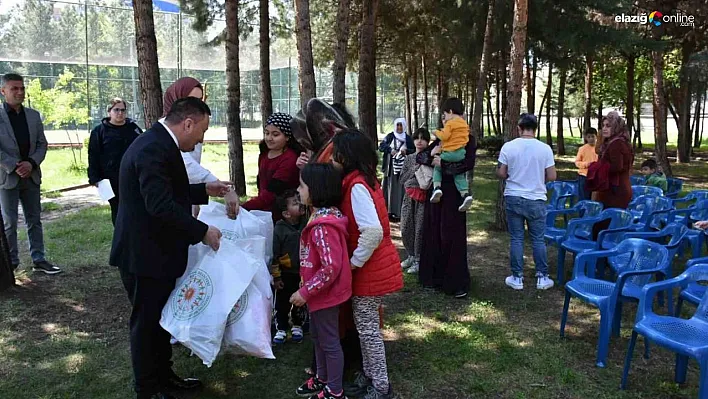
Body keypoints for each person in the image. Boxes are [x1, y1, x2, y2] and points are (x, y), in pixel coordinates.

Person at [110, 97, 236, 399]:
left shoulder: (160, 142)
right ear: (188, 123)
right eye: (201, 131)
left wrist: (203, 190)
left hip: (157, 252)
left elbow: (165, 190)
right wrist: (202, 231)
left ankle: (164, 378)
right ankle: (147, 388)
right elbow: (159, 204)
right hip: (144, 254)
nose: (200, 139)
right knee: (147, 324)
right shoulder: (152, 147)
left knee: (160, 321)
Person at [332, 129, 403, 399]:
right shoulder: (362, 180)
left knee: (369, 331)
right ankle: (370, 376)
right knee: (365, 328)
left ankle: (381, 387)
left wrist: (353, 262)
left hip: (369, 270)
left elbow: (372, 231)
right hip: (370, 268)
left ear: (346, 156)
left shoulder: (357, 186)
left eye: (336, 154)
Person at [292, 163, 352, 399]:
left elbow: (330, 268)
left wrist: (305, 292)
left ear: (316, 189)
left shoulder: (322, 227)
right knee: (318, 337)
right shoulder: (318, 216)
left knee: (329, 342)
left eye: (302, 185)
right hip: (318, 294)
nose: (298, 190)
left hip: (325, 296)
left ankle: (335, 391)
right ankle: (322, 377)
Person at [0, 73, 60, 274]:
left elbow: (42, 143)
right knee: (9, 222)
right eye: (14, 88)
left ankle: (39, 259)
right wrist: (15, 165)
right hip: (8, 177)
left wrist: (31, 163)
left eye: (22, 88)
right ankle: (11, 263)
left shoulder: (33, 115)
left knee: (34, 219)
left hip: (32, 176)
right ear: (3, 91)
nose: (19, 92)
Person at [497, 114, 556, 291]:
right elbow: (552, 176)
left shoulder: (509, 146)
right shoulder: (545, 149)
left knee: (517, 238)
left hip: (514, 196)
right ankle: (542, 277)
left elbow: (501, 172)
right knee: (538, 239)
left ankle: (517, 277)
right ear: (535, 129)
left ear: (519, 128)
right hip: (536, 198)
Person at [416, 130, 477, 298]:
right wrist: (432, 157)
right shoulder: (442, 138)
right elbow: (420, 157)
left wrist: (441, 163)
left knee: (452, 236)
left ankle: (455, 282)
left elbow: (466, 164)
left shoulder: (467, 139)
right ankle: (433, 277)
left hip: (454, 195)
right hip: (437, 193)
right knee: (434, 233)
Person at [163, 77, 218, 218]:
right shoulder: (166, 134)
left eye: (201, 99)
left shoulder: (192, 125)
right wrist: (215, 183)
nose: (197, 105)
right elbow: (186, 164)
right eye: (192, 99)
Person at [87, 97, 143, 225]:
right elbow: (93, 154)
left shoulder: (133, 129)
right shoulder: (99, 131)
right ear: (109, 111)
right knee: (117, 210)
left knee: (135, 209)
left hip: (133, 176)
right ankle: (120, 238)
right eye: (116, 110)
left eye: (123, 110)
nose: (120, 113)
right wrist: (94, 177)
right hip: (111, 179)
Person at [242, 112, 302, 220]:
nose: (269, 138)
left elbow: (272, 192)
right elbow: (262, 185)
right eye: (267, 133)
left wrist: (245, 207)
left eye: (275, 134)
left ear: (287, 136)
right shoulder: (265, 154)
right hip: (264, 211)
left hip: (282, 215)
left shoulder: (289, 158)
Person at [271, 189, 307, 345]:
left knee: (300, 300)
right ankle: (281, 327)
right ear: (286, 213)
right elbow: (275, 254)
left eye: (299, 200)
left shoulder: (306, 222)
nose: (300, 204)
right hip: (285, 273)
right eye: (295, 203)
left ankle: (297, 324)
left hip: (302, 273)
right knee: (282, 302)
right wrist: (277, 277)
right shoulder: (280, 229)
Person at [430, 98, 473, 212]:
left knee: (437, 168)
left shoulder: (450, 124)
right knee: (459, 175)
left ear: (450, 111)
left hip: (449, 153)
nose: (444, 118)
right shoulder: (464, 125)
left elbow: (444, 136)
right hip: (460, 154)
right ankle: (465, 194)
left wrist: (436, 132)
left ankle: (437, 188)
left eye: (444, 114)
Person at [398, 128, 431, 274]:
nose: (419, 141)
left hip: (423, 198)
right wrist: (414, 168)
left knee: (420, 228)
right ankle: (410, 254)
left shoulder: (430, 157)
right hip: (408, 197)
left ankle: (418, 259)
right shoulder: (409, 158)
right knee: (406, 227)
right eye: (417, 138)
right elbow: (402, 179)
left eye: (423, 138)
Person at [592, 111, 634, 210]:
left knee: (606, 223)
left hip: (615, 191)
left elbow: (616, 167)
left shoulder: (616, 143)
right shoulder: (617, 141)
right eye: (603, 126)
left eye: (608, 126)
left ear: (616, 127)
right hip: (614, 188)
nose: (604, 129)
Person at [378, 118, 414, 221]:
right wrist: (390, 150)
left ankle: (399, 211)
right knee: (389, 187)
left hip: (403, 168)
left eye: (401, 126)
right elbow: (381, 146)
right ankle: (388, 211)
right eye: (397, 125)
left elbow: (414, 150)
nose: (399, 128)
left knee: (400, 188)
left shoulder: (407, 138)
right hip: (390, 168)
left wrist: (406, 152)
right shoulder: (390, 136)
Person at [574, 127, 598, 201]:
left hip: (596, 176)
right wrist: (586, 164)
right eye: (589, 137)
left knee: (594, 198)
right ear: (586, 138)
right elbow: (577, 162)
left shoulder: (600, 148)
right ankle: (583, 212)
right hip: (584, 176)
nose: (591, 139)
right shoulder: (582, 149)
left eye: (592, 136)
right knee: (583, 198)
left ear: (596, 137)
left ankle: (593, 212)